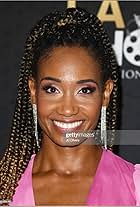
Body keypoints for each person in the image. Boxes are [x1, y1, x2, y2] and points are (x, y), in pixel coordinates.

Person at [0, 6, 136, 206]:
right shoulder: (5, 188)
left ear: (105, 93)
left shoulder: (135, 186)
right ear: (33, 91)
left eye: (85, 90)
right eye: (52, 89)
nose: (67, 109)